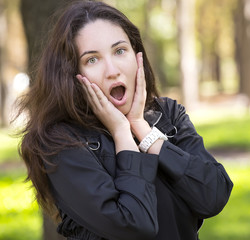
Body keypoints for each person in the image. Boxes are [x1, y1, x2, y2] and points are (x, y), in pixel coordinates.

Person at [16, 1, 233, 239]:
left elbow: (213, 195)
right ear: (72, 74)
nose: (112, 70)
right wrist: (121, 132)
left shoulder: (167, 115)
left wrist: (143, 130)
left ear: (136, 55)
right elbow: (135, 225)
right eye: (92, 59)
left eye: (119, 51)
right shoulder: (61, 143)